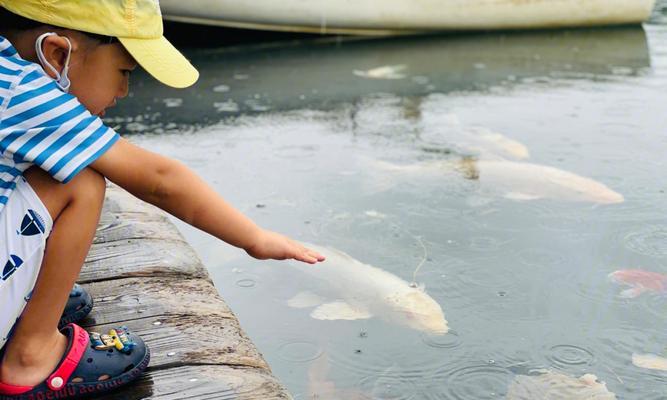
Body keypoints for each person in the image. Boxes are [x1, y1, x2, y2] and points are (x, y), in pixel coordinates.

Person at [0, 0, 325, 397]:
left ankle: (30, 300)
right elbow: (159, 180)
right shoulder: (23, 92)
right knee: (81, 180)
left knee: (53, 164)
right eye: (124, 72)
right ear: (56, 53)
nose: (123, 91)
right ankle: (31, 354)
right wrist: (254, 238)